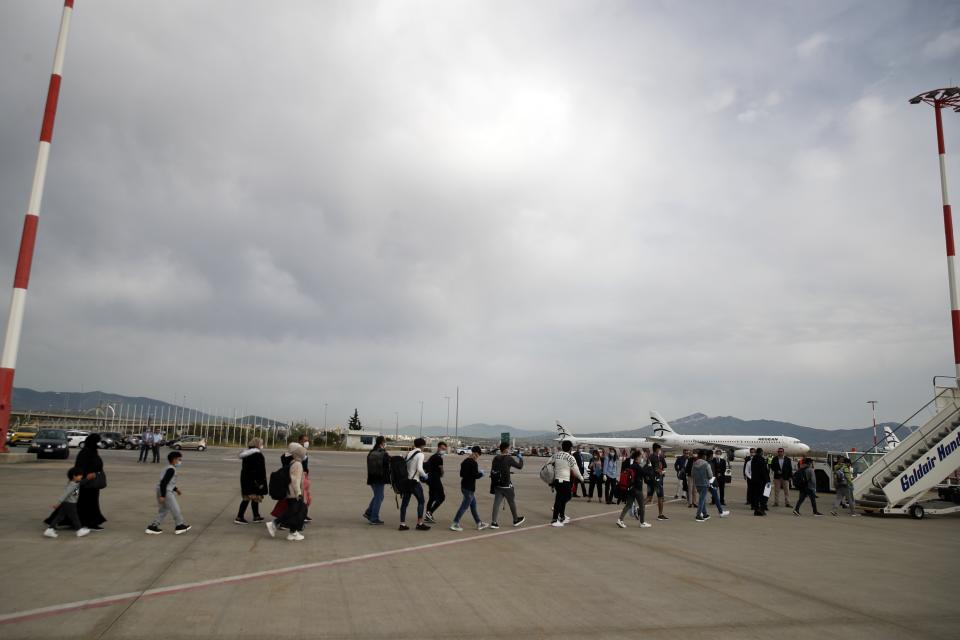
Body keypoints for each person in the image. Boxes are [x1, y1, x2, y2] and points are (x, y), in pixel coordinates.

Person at [266, 443, 308, 540]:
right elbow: (295, 480)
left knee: (295, 512)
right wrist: (298, 493)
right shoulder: (297, 464)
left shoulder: (294, 462)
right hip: (294, 493)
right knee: (293, 511)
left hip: (291, 492)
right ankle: (274, 523)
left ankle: (293, 533)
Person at [145, 451, 192, 535]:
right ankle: (179, 526)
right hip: (166, 492)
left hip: (162, 489)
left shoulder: (167, 468)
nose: (180, 461)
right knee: (175, 508)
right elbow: (164, 482)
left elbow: (168, 482)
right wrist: (163, 495)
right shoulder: (171, 469)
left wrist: (176, 489)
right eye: (179, 459)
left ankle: (153, 527)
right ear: (174, 460)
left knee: (164, 510)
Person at [43, 467, 91, 538]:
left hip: (67, 503)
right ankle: (79, 531)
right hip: (70, 504)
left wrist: (87, 479)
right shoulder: (73, 485)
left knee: (60, 517)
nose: (81, 476)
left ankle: (50, 530)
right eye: (80, 475)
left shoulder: (74, 483)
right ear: (74, 476)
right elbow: (65, 494)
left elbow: (78, 487)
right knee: (75, 517)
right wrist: (58, 503)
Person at [450, 446, 489, 531]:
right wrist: (481, 474)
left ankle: (479, 523)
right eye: (478, 455)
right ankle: (455, 523)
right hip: (469, 488)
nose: (477, 457)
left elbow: (462, 474)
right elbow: (475, 476)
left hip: (464, 486)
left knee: (473, 506)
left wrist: (474, 473)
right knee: (464, 506)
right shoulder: (473, 463)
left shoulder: (464, 461)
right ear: (475, 453)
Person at [490, 442, 525, 528]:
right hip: (506, 486)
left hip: (497, 485)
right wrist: (520, 458)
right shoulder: (508, 458)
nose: (509, 450)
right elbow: (520, 466)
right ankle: (515, 519)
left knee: (496, 504)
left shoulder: (495, 458)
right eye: (509, 448)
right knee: (511, 502)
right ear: (505, 449)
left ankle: (494, 522)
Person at [549, 440, 583, 527]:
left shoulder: (556, 455)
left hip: (557, 480)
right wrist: (581, 478)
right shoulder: (570, 457)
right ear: (570, 448)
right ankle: (554, 519)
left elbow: (549, 464)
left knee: (560, 498)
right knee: (566, 497)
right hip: (565, 481)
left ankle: (562, 517)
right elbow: (576, 470)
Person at [399, 437, 430, 531]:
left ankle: (402, 524)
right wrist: (425, 476)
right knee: (421, 501)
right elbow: (420, 469)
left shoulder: (409, 453)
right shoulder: (420, 454)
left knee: (404, 504)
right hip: (414, 482)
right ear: (422, 445)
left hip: (406, 481)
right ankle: (419, 523)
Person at [616, 450, 652, 529]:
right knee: (642, 505)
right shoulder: (637, 467)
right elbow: (644, 473)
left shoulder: (632, 465)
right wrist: (648, 465)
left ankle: (620, 519)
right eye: (640, 457)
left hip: (630, 489)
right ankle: (642, 522)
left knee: (628, 505)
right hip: (637, 489)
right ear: (637, 458)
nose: (641, 458)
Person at [236, 437, 267, 524]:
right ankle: (239, 517)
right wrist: (260, 481)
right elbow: (259, 469)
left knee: (254, 498)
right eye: (261, 443)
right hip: (254, 480)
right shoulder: (256, 455)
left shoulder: (247, 453)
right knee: (248, 498)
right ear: (257, 444)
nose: (262, 445)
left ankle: (256, 516)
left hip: (246, 478)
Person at [363, 435, 390, 525]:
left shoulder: (371, 452)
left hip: (371, 477)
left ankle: (368, 512)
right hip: (379, 478)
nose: (385, 443)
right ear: (382, 443)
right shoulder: (383, 453)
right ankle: (374, 518)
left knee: (378, 496)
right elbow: (389, 462)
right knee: (379, 497)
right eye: (384, 441)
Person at [424, 441, 447, 523]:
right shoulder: (439, 458)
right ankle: (430, 513)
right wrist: (442, 471)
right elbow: (441, 472)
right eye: (442, 448)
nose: (443, 450)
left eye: (445, 449)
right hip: (436, 480)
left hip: (430, 480)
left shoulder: (432, 456)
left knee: (432, 498)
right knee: (442, 497)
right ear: (438, 447)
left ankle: (427, 516)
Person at [646, 443, 669, 521]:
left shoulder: (650, 457)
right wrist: (661, 471)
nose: (660, 451)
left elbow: (648, 467)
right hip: (657, 480)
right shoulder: (658, 457)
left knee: (649, 497)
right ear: (657, 449)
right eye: (660, 449)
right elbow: (662, 467)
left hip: (650, 480)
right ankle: (660, 514)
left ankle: (639, 509)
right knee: (660, 497)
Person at [750, 447, 770, 516]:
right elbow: (763, 471)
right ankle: (762, 509)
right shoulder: (761, 459)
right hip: (762, 481)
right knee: (765, 495)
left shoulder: (753, 459)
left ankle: (756, 510)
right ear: (761, 452)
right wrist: (767, 480)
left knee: (756, 496)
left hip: (754, 480)